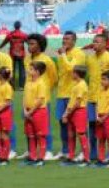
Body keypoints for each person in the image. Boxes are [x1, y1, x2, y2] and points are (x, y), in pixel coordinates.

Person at [23, 34, 58, 161]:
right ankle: (31, 151)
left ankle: (47, 150)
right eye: (28, 43)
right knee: (29, 126)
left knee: (43, 127)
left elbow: (54, 78)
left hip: (41, 99)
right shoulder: (26, 59)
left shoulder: (47, 60)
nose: (29, 46)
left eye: (32, 44)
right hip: (28, 98)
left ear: (40, 45)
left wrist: (45, 91)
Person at [86, 33, 109, 163]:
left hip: (105, 100)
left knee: (107, 127)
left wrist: (108, 95)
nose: (95, 44)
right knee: (92, 126)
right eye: (94, 41)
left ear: (105, 44)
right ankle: (94, 153)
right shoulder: (90, 59)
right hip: (92, 98)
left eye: (98, 42)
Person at [54, 32, 86, 161]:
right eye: (63, 38)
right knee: (63, 122)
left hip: (73, 93)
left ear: (74, 41)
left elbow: (70, 69)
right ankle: (66, 150)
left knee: (78, 125)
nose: (64, 41)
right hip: (61, 93)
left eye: (67, 39)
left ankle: (84, 152)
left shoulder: (78, 53)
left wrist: (62, 54)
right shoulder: (63, 54)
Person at [22, 61, 50, 166]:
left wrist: (30, 112)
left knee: (40, 136)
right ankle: (32, 157)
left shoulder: (41, 83)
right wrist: (25, 109)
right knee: (31, 135)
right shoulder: (28, 83)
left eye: (31, 69)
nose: (29, 71)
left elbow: (40, 100)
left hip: (38, 112)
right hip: (28, 111)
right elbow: (25, 97)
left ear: (37, 72)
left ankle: (40, 158)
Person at [62, 65, 90, 166]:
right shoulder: (76, 84)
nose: (72, 74)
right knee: (71, 135)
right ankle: (71, 156)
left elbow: (77, 102)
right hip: (72, 112)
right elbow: (72, 101)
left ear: (77, 74)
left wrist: (68, 113)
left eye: (73, 72)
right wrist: (66, 113)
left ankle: (86, 159)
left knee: (81, 134)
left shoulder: (82, 85)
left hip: (79, 112)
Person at [94, 70, 109, 167]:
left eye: (104, 79)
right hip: (99, 117)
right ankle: (101, 159)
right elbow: (97, 104)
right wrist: (97, 116)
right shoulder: (100, 90)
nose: (102, 81)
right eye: (102, 79)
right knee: (101, 139)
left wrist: (103, 118)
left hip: (108, 118)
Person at [0, 21, 28, 90]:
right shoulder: (24, 35)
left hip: (12, 54)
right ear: (20, 26)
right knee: (22, 70)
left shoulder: (10, 34)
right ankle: (21, 86)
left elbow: (4, 42)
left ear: (14, 26)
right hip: (21, 54)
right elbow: (29, 43)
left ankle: (12, 86)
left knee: (11, 70)